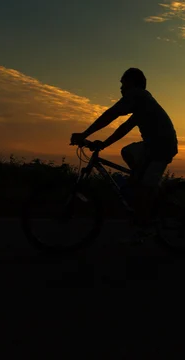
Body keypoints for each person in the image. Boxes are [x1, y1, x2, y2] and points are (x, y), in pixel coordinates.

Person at [70, 68, 178, 243]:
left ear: (133, 83)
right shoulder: (142, 103)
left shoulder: (138, 95)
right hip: (152, 146)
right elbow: (123, 129)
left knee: (143, 188)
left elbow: (111, 114)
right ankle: (146, 187)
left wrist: (84, 134)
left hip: (161, 146)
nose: (120, 87)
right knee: (127, 152)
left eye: (123, 83)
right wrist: (103, 144)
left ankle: (147, 226)